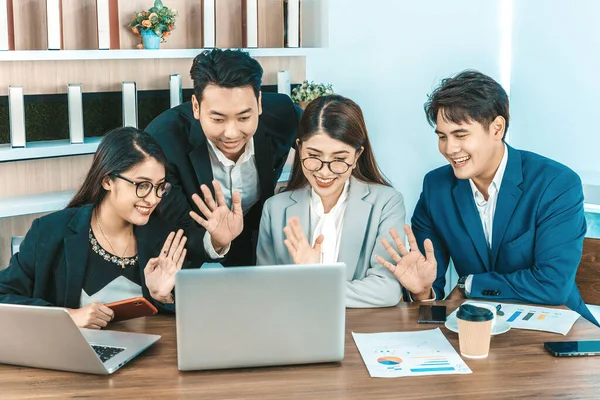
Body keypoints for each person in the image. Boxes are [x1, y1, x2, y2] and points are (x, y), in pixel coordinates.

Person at [377, 70, 598, 325]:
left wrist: (468, 284)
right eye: (442, 136)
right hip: (475, 327)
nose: (449, 149)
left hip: (555, 325)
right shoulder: (436, 188)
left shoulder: (555, 183)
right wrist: (423, 292)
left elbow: (552, 285)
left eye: (460, 135)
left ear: (497, 128)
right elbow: (432, 295)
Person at [0, 127, 187, 329]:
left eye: (160, 187)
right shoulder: (49, 231)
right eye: (142, 185)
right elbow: (3, 297)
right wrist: (68, 316)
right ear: (107, 180)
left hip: (148, 357)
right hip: (72, 356)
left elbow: (187, 323)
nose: (153, 199)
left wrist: (163, 297)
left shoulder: (166, 239)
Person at [145, 49, 300, 267]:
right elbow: (173, 224)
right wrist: (216, 241)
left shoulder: (283, 115)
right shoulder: (163, 140)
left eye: (244, 117)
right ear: (196, 107)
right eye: (218, 119)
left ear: (259, 103)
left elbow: (328, 143)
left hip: (256, 240)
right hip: (194, 244)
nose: (232, 133)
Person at [257, 95, 404, 307]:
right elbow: (265, 290)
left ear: (357, 155)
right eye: (314, 156)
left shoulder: (386, 203)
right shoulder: (275, 209)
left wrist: (315, 282)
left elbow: (387, 290)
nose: (324, 173)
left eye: (339, 159)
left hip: (359, 332)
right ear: (299, 149)